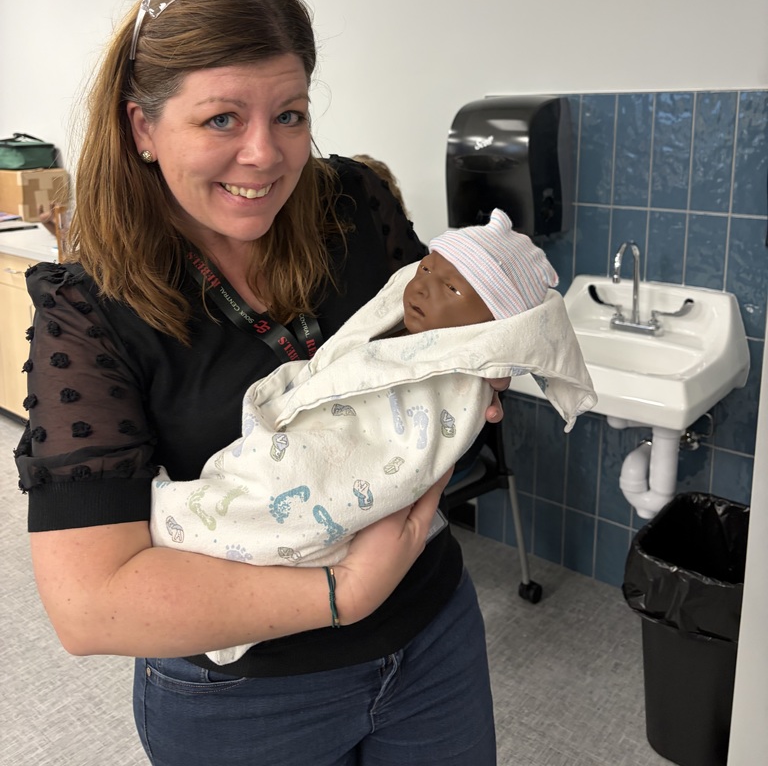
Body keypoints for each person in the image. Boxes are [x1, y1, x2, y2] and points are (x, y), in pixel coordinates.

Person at [14, 0, 511, 766]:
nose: (264, 155)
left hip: (432, 634)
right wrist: (344, 594)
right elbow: (90, 603)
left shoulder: (355, 205)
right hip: (245, 699)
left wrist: (481, 371)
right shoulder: (89, 311)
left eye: (290, 113)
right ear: (143, 127)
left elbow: (440, 347)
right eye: (220, 120)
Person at [150, 208, 595, 665]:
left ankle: (198, 524)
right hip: (307, 503)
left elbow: (401, 455)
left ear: (493, 328)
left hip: (400, 585)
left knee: (270, 497)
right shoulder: (402, 331)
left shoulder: (456, 380)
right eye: (426, 269)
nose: (422, 286)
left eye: (452, 287)